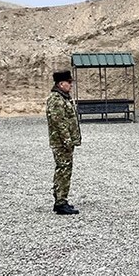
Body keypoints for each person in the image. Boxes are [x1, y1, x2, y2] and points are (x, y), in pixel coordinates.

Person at [47, 71, 82, 215]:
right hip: (61, 143)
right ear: (61, 84)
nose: (71, 85)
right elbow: (59, 123)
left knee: (64, 170)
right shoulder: (56, 99)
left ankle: (61, 200)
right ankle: (60, 202)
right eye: (69, 82)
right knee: (63, 170)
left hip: (65, 142)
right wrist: (68, 141)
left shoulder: (63, 97)